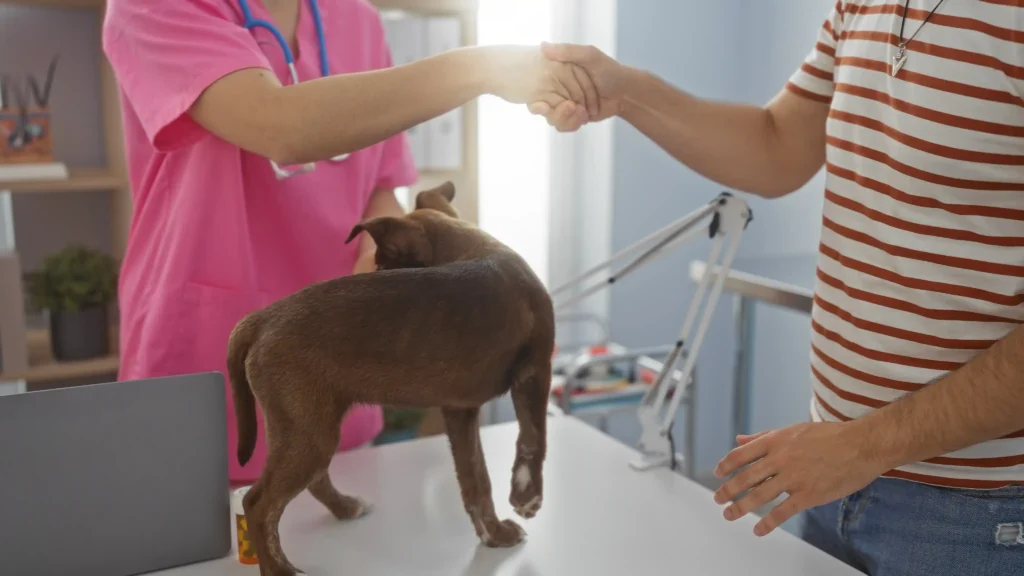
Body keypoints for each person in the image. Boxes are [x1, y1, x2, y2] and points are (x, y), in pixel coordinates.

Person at [531, 1, 1024, 574]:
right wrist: (628, 94)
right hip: (828, 474)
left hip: (974, 520)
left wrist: (867, 446)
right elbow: (776, 146)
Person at [101, 0, 597, 486]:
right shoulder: (152, 6)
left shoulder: (356, 19)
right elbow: (282, 127)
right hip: (201, 364)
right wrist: (484, 68)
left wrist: (375, 259)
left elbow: (382, 183)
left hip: (341, 353)